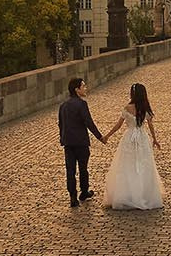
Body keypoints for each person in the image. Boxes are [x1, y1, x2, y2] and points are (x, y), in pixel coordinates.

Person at [102, 82, 164, 210]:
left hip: (129, 138)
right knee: (143, 164)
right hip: (142, 137)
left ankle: (127, 194)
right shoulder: (145, 108)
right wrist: (155, 139)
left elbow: (118, 125)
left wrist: (107, 135)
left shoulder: (127, 108)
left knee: (127, 164)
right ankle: (144, 194)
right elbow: (151, 125)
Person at [57, 77, 105, 207]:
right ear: (77, 90)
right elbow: (88, 123)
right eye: (83, 86)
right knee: (83, 168)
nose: (85, 88)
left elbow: (61, 124)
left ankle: (72, 196)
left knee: (70, 170)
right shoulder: (82, 104)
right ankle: (84, 192)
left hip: (68, 142)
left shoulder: (63, 105)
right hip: (81, 142)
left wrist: (63, 138)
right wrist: (100, 137)